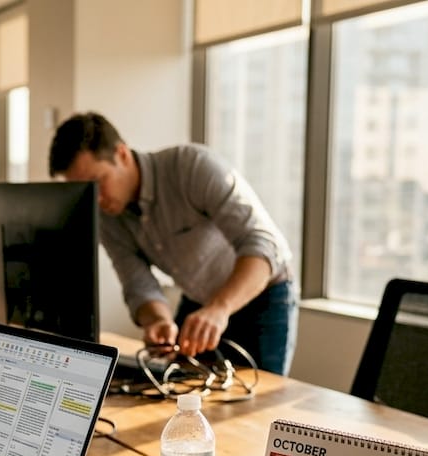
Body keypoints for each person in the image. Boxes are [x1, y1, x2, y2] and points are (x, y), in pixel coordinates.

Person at [48, 112, 298, 375]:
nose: (95, 200)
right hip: (200, 299)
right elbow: (138, 283)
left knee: (260, 399)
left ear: (121, 154)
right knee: (179, 387)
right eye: (86, 191)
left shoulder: (192, 167)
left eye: (98, 183)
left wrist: (219, 308)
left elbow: (264, 244)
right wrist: (158, 320)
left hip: (263, 292)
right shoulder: (108, 216)